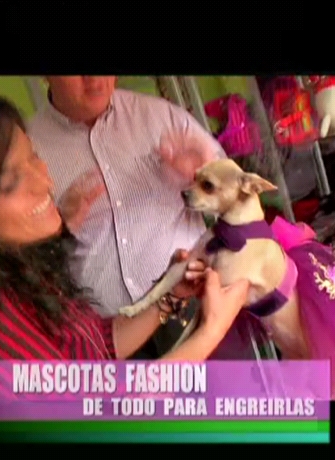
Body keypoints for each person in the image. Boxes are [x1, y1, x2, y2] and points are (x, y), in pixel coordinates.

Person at [0, 93, 250, 362]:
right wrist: (209, 331)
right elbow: (102, 415)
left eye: (35, 158)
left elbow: (93, 347)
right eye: (12, 182)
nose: (46, 183)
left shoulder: (15, 276)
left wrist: (170, 295)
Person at [27, 76, 231, 357]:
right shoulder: (29, 153)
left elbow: (238, 204)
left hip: (196, 309)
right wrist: (59, 229)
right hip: (108, 342)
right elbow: (27, 267)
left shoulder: (162, 117)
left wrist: (204, 181)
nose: (95, 79)